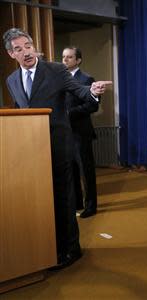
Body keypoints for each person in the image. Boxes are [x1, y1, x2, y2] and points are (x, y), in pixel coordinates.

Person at [3, 28, 110, 269]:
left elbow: (81, 92)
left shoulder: (56, 70)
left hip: (59, 146)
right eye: (18, 49)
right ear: (12, 54)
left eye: (28, 45)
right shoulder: (11, 80)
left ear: (33, 45)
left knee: (64, 199)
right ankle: (48, 247)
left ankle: (72, 249)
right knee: (41, 202)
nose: (26, 52)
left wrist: (92, 92)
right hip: (31, 151)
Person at [62, 46, 98, 218]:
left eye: (69, 57)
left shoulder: (87, 78)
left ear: (78, 60)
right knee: (72, 171)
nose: (65, 60)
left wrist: (70, 113)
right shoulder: (60, 78)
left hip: (81, 132)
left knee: (86, 171)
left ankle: (91, 206)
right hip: (64, 134)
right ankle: (76, 202)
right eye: (63, 57)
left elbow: (93, 105)